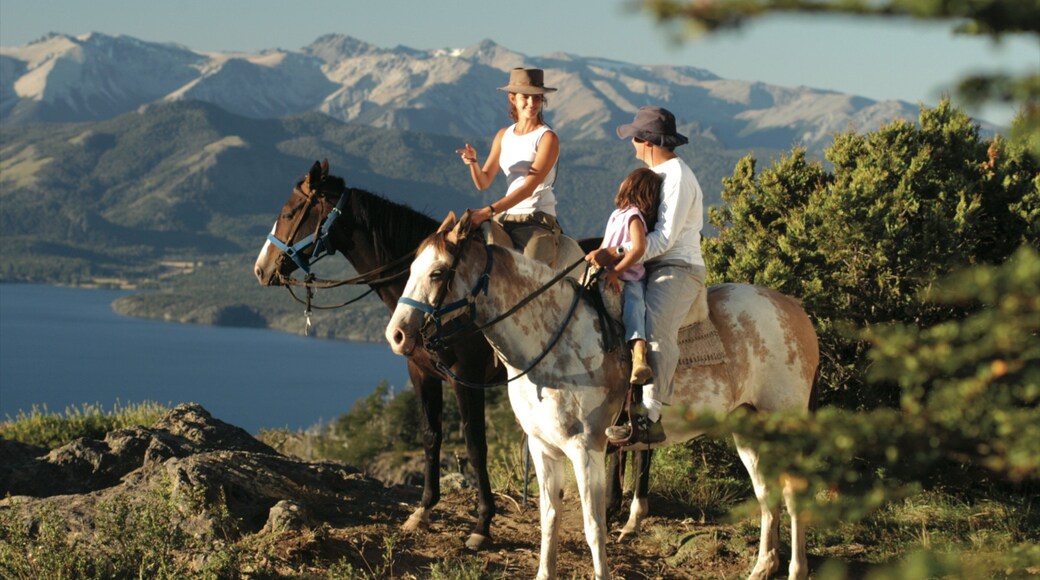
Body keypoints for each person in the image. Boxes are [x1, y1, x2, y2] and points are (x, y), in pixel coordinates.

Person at [588, 106, 707, 445]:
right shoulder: (662, 174)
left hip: (678, 266)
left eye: (636, 138)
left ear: (649, 142)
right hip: (650, 263)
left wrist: (618, 254)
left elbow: (665, 240)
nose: (633, 145)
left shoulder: (678, 178)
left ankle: (649, 418)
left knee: (655, 326)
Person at [456, 67, 562, 265]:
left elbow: (528, 188)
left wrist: (487, 211)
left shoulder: (547, 138)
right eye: (526, 97)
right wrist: (473, 163)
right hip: (505, 217)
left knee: (532, 277)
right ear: (512, 98)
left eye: (537, 98)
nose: (532, 103)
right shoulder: (503, 135)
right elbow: (483, 181)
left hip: (537, 219)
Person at [592, 167, 663, 387]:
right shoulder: (616, 215)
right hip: (611, 271)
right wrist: (596, 257)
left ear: (634, 187)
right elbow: (607, 245)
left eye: (627, 180)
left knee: (635, 304)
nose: (622, 183)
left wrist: (616, 272)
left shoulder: (634, 216)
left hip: (631, 277)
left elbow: (639, 248)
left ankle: (639, 354)